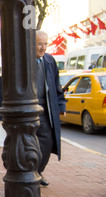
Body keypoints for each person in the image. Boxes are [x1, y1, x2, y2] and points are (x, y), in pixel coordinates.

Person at [35, 30, 66, 186]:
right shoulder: (23, 60)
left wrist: (61, 104)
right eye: (39, 43)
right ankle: (30, 173)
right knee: (28, 143)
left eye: (45, 43)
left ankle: (38, 171)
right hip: (28, 111)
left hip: (45, 110)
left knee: (47, 142)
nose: (43, 47)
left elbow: (56, 84)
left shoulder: (49, 61)